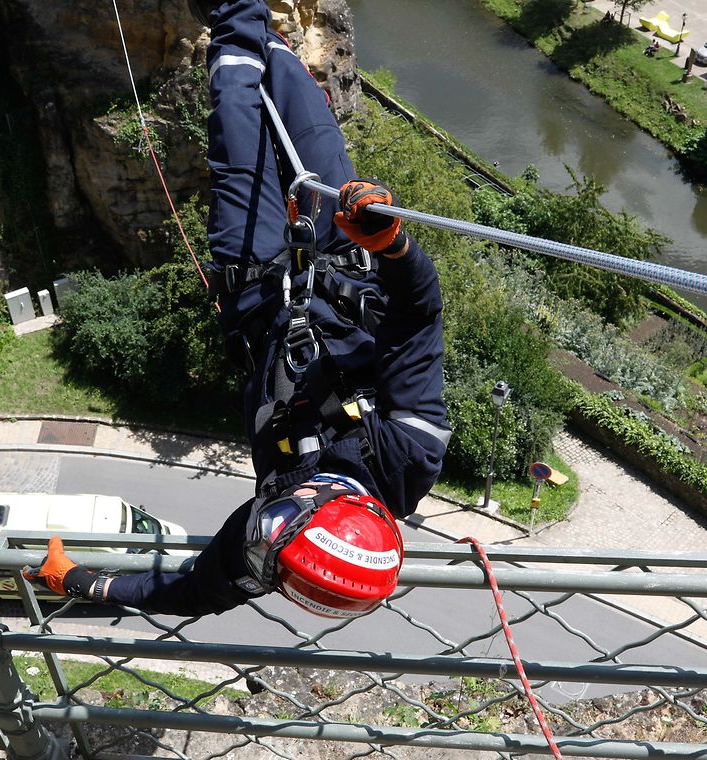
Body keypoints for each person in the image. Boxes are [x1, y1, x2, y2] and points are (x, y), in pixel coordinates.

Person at [23, 0, 450, 618]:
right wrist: (391, 245)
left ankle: (232, 16)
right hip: (345, 263)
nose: (266, 510)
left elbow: (185, 593)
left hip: (258, 299)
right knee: (306, 121)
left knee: (235, 126)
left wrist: (77, 581)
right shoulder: (406, 456)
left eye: (268, 525)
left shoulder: (269, 551)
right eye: (280, 514)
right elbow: (417, 312)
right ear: (337, 508)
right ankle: (268, 34)